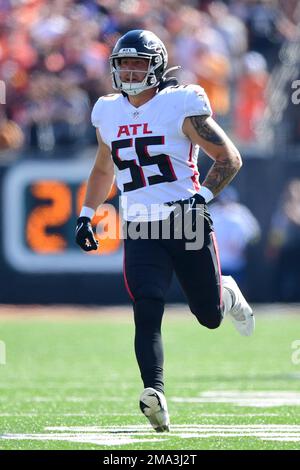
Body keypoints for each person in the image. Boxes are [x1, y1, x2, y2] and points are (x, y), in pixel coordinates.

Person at [75, 30, 254, 433]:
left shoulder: (181, 104)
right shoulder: (107, 111)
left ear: (156, 65)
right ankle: (153, 394)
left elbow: (229, 157)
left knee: (208, 316)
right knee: (146, 305)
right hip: (139, 223)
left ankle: (224, 292)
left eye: (138, 62)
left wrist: (202, 197)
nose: (129, 70)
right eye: (123, 63)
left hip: (186, 218)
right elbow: (104, 166)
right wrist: (87, 213)